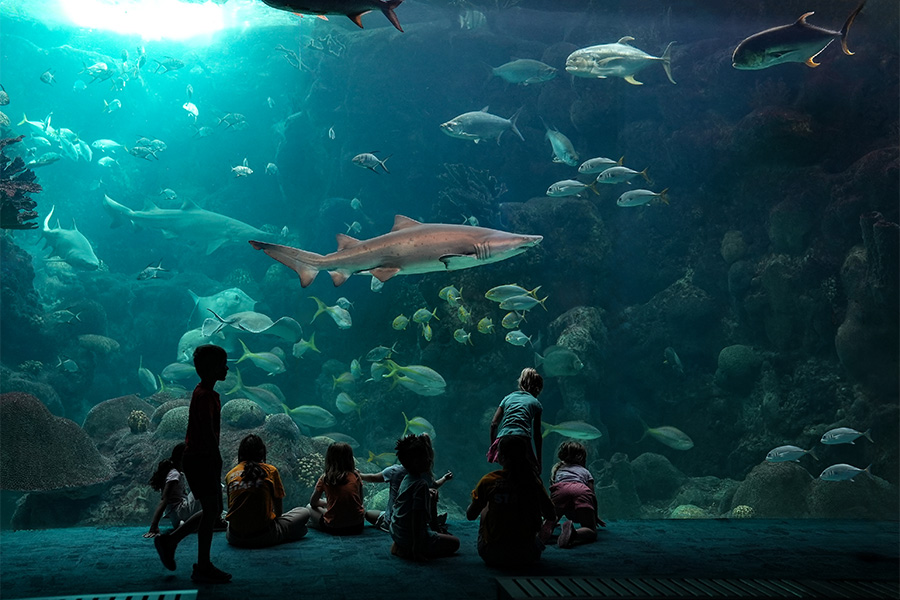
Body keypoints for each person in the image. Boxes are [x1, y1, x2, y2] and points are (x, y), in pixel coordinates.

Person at [153, 344, 231, 584]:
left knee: (213, 511)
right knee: (212, 511)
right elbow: (207, 432)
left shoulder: (202, 392)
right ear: (211, 369)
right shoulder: (205, 396)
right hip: (201, 458)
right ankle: (201, 565)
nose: (226, 368)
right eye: (222, 364)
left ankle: (171, 542)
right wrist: (215, 457)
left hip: (198, 458)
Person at [467, 435, 556, 568]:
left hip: (492, 555)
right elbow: (551, 515)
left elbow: (471, 515)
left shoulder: (489, 481)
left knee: (485, 505)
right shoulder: (533, 481)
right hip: (526, 555)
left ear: (501, 456)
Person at [225, 434, 310, 548]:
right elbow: (279, 511)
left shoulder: (230, 474)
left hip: (233, 537)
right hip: (263, 536)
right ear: (262, 452)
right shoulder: (270, 471)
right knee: (304, 512)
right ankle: (283, 534)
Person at [389, 434, 459, 560]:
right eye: (426, 457)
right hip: (410, 536)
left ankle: (401, 545)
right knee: (455, 543)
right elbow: (417, 517)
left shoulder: (406, 479)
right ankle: (411, 548)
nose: (430, 460)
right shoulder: (420, 485)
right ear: (416, 462)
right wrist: (417, 547)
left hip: (396, 532)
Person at [361, 456, 453, 534]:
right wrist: (444, 478)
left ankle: (389, 522)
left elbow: (373, 477)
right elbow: (434, 485)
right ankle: (430, 520)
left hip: (394, 521)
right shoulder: (423, 475)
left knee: (369, 514)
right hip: (414, 520)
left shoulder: (393, 471)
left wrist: (359, 474)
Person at [543, 441, 605, 548]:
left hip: (561, 489)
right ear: (581, 457)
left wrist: (549, 514)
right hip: (581, 490)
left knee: (552, 519)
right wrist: (594, 515)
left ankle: (547, 526)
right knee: (591, 530)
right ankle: (574, 533)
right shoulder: (585, 472)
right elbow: (592, 495)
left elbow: (553, 492)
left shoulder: (558, 470)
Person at [488, 367, 544, 473]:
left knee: (508, 469)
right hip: (522, 438)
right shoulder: (536, 403)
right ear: (537, 388)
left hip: (503, 438)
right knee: (531, 472)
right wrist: (538, 462)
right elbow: (537, 435)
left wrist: (493, 447)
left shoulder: (507, 398)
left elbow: (494, 424)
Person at [307, 442, 365, 535]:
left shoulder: (325, 478)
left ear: (329, 458)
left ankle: (316, 525)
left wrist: (327, 502)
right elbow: (360, 501)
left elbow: (313, 502)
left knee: (309, 507)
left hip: (334, 528)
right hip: (357, 526)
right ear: (350, 458)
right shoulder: (356, 475)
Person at [144, 442, 200, 538]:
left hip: (177, 516)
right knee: (210, 487)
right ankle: (216, 520)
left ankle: (184, 524)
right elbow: (164, 500)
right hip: (180, 512)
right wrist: (154, 526)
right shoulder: (175, 475)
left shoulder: (176, 473)